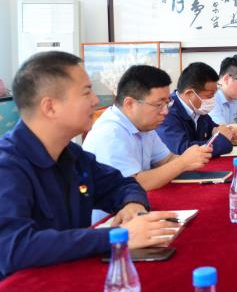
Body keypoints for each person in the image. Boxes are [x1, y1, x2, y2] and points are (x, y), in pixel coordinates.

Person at [0, 51, 179, 279]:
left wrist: (132, 204)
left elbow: (122, 184)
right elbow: (14, 248)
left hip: (68, 278)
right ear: (50, 107)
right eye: (86, 92)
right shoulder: (7, 166)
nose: (95, 100)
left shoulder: (72, 155)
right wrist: (117, 236)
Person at [83, 65, 212, 221]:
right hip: (112, 223)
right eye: (159, 105)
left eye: (168, 103)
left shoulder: (145, 126)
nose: (166, 111)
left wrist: (193, 158)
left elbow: (167, 159)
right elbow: (135, 182)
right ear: (130, 104)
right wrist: (183, 162)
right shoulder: (110, 134)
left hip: (140, 211)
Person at [157, 62, 237, 157]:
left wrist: (232, 135)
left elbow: (215, 130)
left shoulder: (198, 110)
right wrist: (223, 140)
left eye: (214, 94)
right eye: (209, 96)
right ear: (189, 94)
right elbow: (182, 149)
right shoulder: (166, 113)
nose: (213, 99)